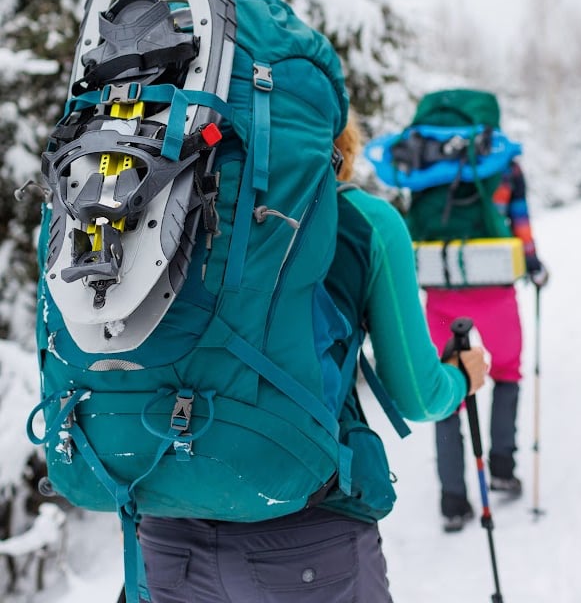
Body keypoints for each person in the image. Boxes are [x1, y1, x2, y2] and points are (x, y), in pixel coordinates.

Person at [137, 113, 488, 602]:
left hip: (167, 535)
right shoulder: (365, 220)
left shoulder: (160, 205)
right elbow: (419, 396)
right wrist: (462, 378)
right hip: (309, 530)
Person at [424, 157, 548, 532]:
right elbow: (520, 223)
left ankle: (453, 501)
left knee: (447, 390)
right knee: (508, 372)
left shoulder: (425, 165)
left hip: (442, 290)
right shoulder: (506, 168)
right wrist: (534, 265)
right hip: (495, 291)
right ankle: (502, 471)